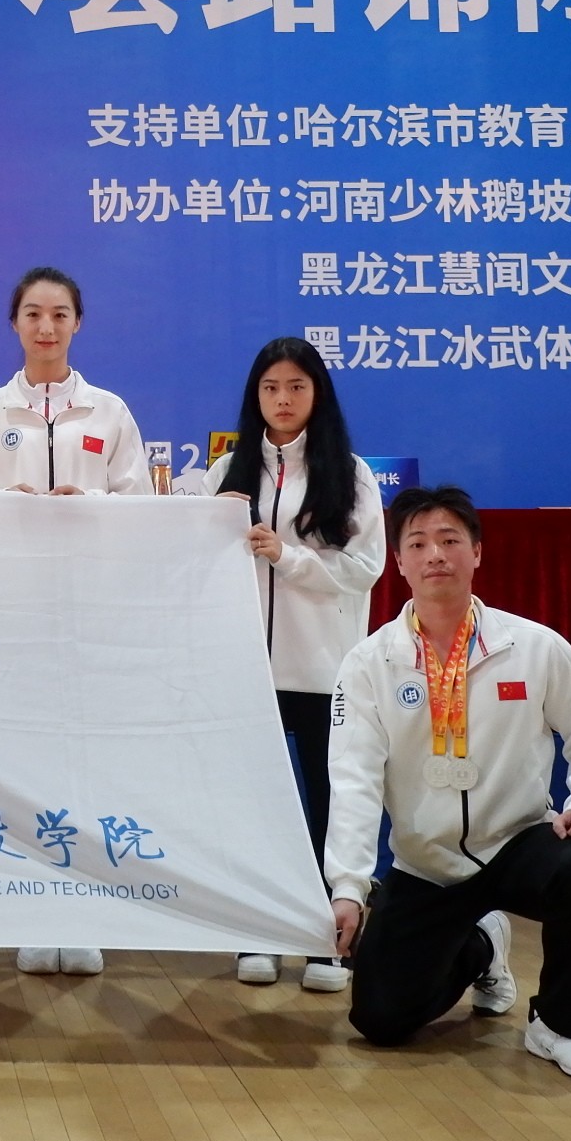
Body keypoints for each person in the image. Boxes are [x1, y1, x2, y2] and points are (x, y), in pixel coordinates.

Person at [326, 486, 571, 1084]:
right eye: (418, 543)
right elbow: (354, 779)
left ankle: (559, 1025)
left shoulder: (534, 647)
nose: (435, 554)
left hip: (518, 840)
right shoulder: (368, 663)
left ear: (477, 553)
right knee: (380, 1020)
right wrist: (348, 886)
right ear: (399, 561)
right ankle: (483, 945)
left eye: (450, 540)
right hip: (427, 863)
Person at [0, 265, 145, 978]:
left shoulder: (110, 412)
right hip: (11, 615)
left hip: (88, 613)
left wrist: (86, 507)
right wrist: (8, 506)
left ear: (77, 323)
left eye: (60, 314)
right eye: (33, 313)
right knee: (21, 766)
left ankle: (84, 915)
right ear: (15, 323)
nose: (46, 326)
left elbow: (140, 510)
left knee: (85, 763)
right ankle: (33, 911)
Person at [207, 336, 384, 994]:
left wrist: (289, 557)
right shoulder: (225, 471)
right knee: (254, 805)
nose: (283, 399)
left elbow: (364, 569)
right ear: (254, 396)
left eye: (296, 387)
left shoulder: (351, 474)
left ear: (318, 394)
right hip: (245, 670)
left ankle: (325, 938)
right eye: (271, 387)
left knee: (328, 803)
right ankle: (259, 929)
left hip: (323, 668)